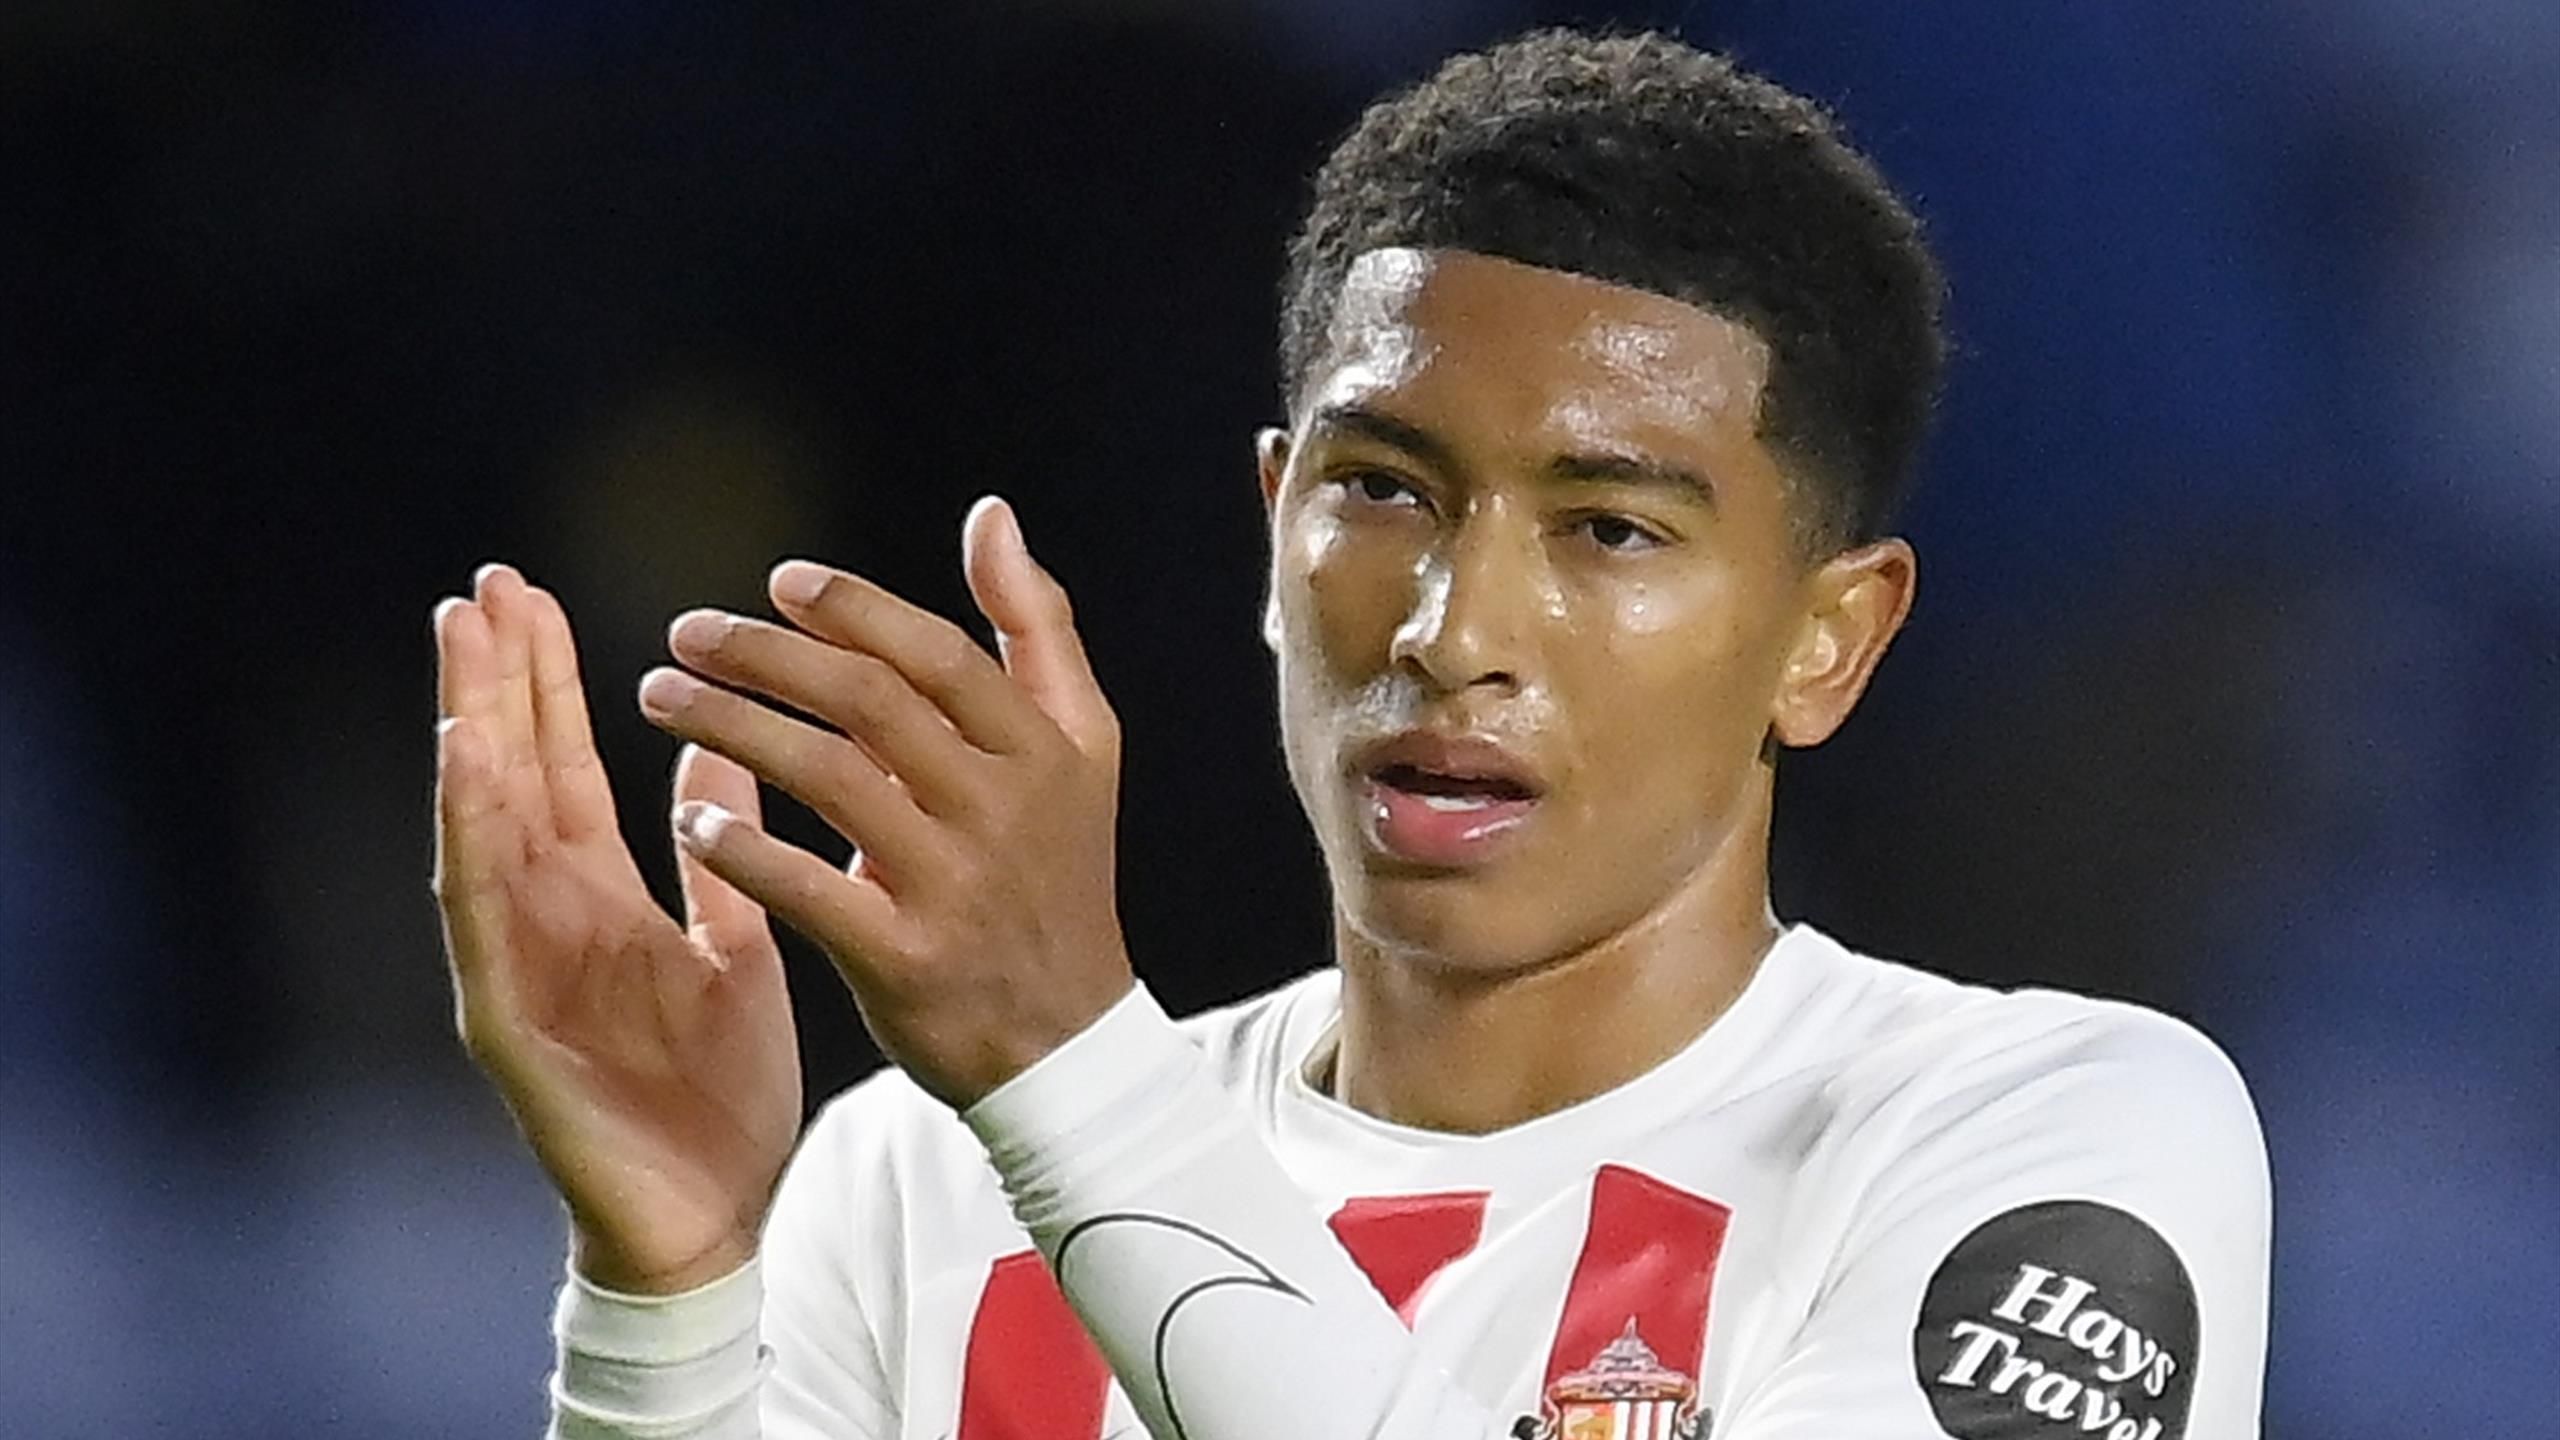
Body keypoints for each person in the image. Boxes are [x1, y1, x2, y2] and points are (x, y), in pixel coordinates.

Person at [430, 28, 2268, 1440]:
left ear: (1827, 637)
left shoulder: (2053, 1142)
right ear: (1270, 528)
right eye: (1384, 492)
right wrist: (670, 1293)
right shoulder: (915, 1186)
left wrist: (1066, 1069)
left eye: (1608, 529)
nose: (1454, 631)